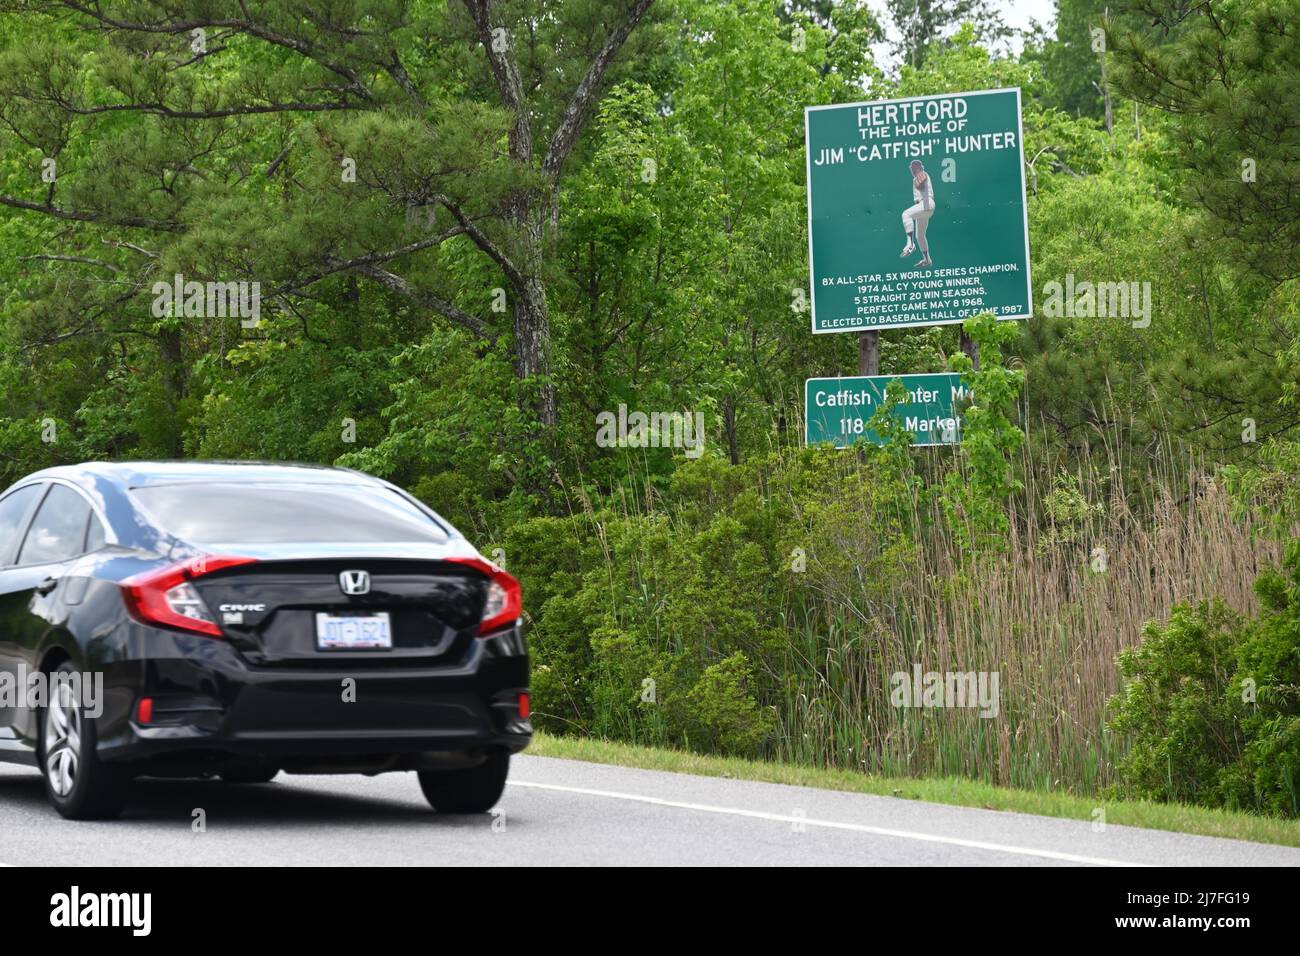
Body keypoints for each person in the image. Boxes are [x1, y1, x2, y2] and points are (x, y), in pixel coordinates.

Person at [899, 159, 934, 268]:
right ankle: (927, 260)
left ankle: (910, 244)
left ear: (919, 167)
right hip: (923, 209)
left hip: (927, 203)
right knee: (920, 235)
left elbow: (922, 180)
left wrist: (920, 180)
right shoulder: (915, 178)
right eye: (912, 168)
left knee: (906, 214)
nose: (912, 170)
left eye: (914, 168)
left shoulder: (923, 174)